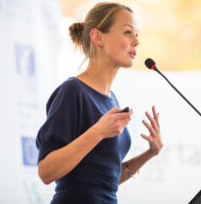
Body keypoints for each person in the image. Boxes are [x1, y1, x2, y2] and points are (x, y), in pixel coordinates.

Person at [36, 2, 163, 204]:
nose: (137, 41)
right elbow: (46, 171)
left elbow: (103, 182)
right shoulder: (73, 91)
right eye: (128, 32)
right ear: (97, 37)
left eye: (137, 34)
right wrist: (98, 132)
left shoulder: (111, 99)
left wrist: (150, 153)